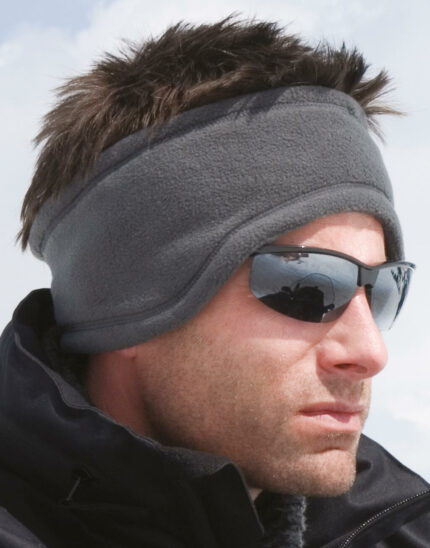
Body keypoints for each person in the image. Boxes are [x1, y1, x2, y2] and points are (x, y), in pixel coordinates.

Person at [1, 16, 429, 548]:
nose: (370, 353)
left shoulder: (399, 531)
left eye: (383, 288)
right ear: (130, 306)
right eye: (310, 288)